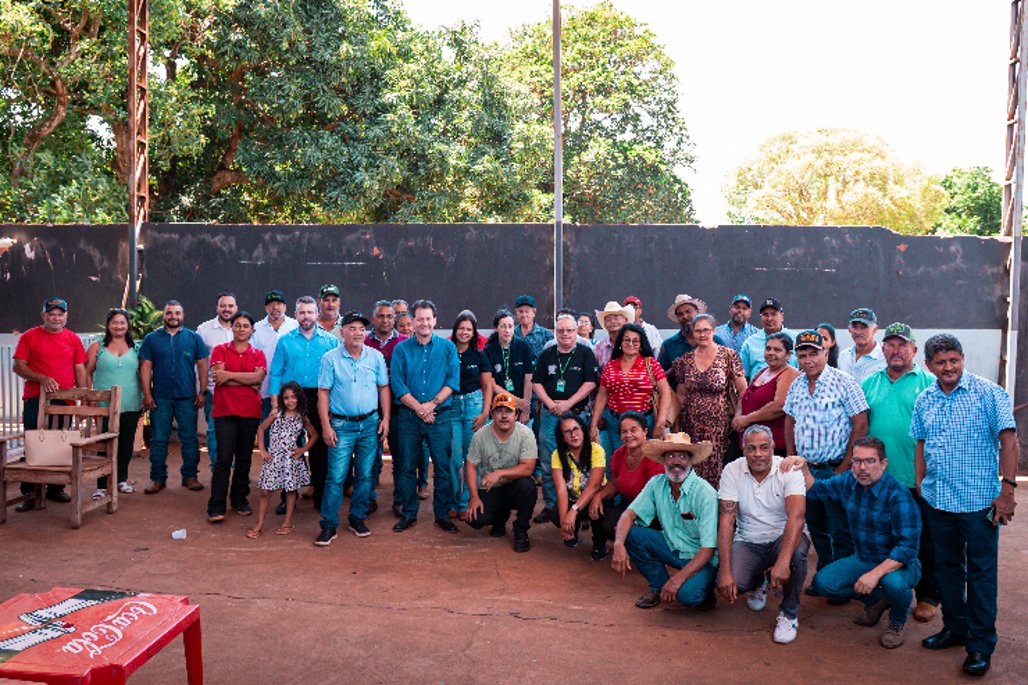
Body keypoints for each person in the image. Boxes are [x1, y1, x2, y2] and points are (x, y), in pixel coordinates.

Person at [911, 333, 1018, 677]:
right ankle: (955, 628)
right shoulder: (925, 399)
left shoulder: (989, 393)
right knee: (947, 568)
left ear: (962, 359)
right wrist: (921, 485)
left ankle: (980, 645)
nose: (949, 367)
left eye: (954, 360)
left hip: (979, 503)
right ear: (928, 366)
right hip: (938, 500)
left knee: (981, 573)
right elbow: (920, 444)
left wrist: (1008, 490)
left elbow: (1009, 440)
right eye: (941, 362)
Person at [784, 436, 922, 649]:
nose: (862, 467)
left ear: (883, 463)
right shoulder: (849, 481)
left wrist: (874, 575)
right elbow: (817, 489)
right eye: (857, 461)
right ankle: (877, 600)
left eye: (870, 461)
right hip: (864, 558)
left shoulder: (898, 495)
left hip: (899, 564)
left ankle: (897, 620)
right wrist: (803, 467)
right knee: (823, 583)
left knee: (894, 584)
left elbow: (908, 549)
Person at [861, 323, 938, 622]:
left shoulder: (929, 383)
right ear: (882, 349)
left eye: (902, 344)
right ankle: (886, 594)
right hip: (879, 480)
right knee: (883, 539)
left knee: (924, 540)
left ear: (914, 350)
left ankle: (927, 596)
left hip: (916, 479)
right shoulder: (870, 383)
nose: (896, 350)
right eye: (890, 344)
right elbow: (862, 427)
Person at [783, 329, 868, 574]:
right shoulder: (797, 384)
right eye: (802, 355)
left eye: (814, 354)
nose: (808, 360)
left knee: (840, 527)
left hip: (836, 468)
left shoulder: (844, 381)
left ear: (826, 353)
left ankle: (840, 578)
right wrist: (792, 458)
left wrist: (844, 467)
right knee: (817, 526)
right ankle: (825, 571)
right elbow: (789, 420)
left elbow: (861, 423)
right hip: (806, 471)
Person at [717, 424, 809, 645]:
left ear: (773, 448)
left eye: (764, 447)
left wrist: (783, 562)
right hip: (749, 539)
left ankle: (788, 614)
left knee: (796, 557)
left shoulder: (788, 469)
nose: (758, 454)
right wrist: (725, 571)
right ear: (743, 449)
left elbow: (796, 518)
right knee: (732, 584)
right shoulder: (732, 470)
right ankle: (758, 580)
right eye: (751, 448)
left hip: (782, 536)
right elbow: (727, 521)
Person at [611, 433, 718, 610]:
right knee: (629, 533)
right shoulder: (657, 483)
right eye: (670, 456)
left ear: (690, 461)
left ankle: (706, 588)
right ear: (663, 461)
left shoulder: (705, 493)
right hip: (672, 547)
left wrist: (677, 580)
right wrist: (618, 545)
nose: (676, 462)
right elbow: (628, 514)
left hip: (700, 556)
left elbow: (708, 549)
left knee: (687, 596)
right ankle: (658, 586)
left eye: (682, 456)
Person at [315, 311, 390, 545]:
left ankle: (357, 518)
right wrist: (326, 426)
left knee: (365, 476)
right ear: (342, 332)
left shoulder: (375, 357)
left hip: (370, 424)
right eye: (352, 328)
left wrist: (386, 418)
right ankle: (329, 525)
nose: (358, 333)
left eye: (361, 329)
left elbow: (383, 389)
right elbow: (323, 393)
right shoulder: (330, 358)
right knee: (336, 477)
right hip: (341, 425)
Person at [390, 299, 461, 533]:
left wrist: (431, 405)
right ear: (413, 321)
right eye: (419, 319)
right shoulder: (401, 350)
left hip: (439, 417)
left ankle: (442, 514)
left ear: (435, 320)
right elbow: (398, 385)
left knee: (442, 468)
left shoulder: (448, 348)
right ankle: (409, 513)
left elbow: (452, 381)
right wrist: (420, 409)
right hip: (408, 418)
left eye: (428, 319)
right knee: (406, 468)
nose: (424, 323)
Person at [12, 297, 87, 509]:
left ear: (66, 316)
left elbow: (80, 369)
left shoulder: (73, 339)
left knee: (60, 444)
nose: (56, 318)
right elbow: (18, 366)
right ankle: (30, 493)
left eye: (60, 314)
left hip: (65, 400)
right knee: (33, 443)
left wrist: (83, 397)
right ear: (43, 315)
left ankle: (55, 488)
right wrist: (41, 378)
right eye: (51, 314)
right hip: (35, 398)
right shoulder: (29, 336)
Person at [267, 296, 339, 513]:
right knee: (288, 447)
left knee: (320, 447)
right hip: (291, 398)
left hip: (320, 396)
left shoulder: (330, 341)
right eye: (302, 312)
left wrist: (333, 405)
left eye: (310, 312)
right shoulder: (285, 341)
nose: (306, 316)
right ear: (295, 315)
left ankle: (320, 496)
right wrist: (275, 405)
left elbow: (337, 375)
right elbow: (276, 373)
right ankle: (287, 496)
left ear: (316, 314)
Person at [531, 313, 599, 523]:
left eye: (569, 330)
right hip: (551, 415)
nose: (565, 334)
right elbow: (536, 383)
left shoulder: (586, 353)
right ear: (555, 332)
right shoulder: (547, 354)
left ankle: (581, 508)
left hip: (577, 413)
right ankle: (551, 505)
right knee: (548, 461)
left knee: (581, 461)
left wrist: (568, 403)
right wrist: (550, 404)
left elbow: (591, 383)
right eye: (561, 330)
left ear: (576, 332)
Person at [138, 300, 208, 495]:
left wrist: (202, 392)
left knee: (190, 439)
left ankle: (190, 476)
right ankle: (157, 478)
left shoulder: (193, 338)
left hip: (187, 397)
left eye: (177, 313)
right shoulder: (151, 339)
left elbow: (203, 366)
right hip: (160, 398)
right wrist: (147, 394)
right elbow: (145, 368)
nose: (173, 316)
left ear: (183, 316)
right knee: (158, 440)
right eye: (169, 313)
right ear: (164, 316)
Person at [671, 314, 746, 488]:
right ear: (693, 333)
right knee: (693, 467)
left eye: (706, 330)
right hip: (691, 425)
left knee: (719, 469)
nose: (702, 334)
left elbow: (743, 390)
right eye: (698, 331)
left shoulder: (728, 355)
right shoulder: (685, 360)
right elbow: (680, 395)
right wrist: (676, 427)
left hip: (719, 428)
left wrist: (739, 414)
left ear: (714, 331)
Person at [207, 311, 266, 522]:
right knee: (223, 460)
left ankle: (240, 500)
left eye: (245, 326)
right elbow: (218, 378)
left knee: (244, 459)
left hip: (250, 412)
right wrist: (247, 380)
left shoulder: (258, 354)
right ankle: (216, 506)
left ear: (252, 330)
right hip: (225, 412)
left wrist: (229, 376)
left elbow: (258, 379)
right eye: (238, 325)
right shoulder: (220, 350)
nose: (241, 329)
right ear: (232, 328)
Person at [465, 392, 539, 552]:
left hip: (515, 486)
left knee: (528, 486)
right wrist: (474, 497)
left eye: (509, 411)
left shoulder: (526, 434)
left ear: (516, 415)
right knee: (474, 519)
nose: (504, 416)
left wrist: (499, 473)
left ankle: (521, 530)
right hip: (491, 488)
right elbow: (471, 466)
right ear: (492, 415)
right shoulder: (480, 436)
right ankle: (499, 519)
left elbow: (528, 468)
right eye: (499, 411)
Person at [85, 308, 143, 498]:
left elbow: (145, 373)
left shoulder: (137, 348)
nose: (119, 326)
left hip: (130, 403)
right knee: (104, 444)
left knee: (126, 444)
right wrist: (90, 397)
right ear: (108, 325)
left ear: (128, 325)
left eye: (122, 322)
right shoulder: (97, 347)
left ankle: (121, 480)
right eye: (115, 322)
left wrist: (145, 397)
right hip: (104, 406)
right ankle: (102, 486)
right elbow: (87, 372)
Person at [247, 382, 317, 538]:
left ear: (299, 398)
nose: (290, 401)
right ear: (281, 399)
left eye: (293, 397)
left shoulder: (301, 417)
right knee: (266, 491)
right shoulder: (276, 413)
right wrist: (262, 449)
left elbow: (314, 435)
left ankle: (287, 522)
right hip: (273, 457)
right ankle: (260, 524)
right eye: (286, 398)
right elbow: (261, 429)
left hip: (290, 459)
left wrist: (303, 449)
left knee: (290, 491)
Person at [590, 323, 671, 453]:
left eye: (635, 341)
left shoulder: (651, 364)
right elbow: (602, 395)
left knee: (645, 459)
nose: (631, 344)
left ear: (641, 344)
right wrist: (594, 424)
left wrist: (660, 423)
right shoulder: (610, 366)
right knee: (618, 458)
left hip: (644, 422)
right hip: (615, 423)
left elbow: (666, 393)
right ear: (620, 342)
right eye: (627, 340)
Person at [589, 411, 664, 542]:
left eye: (633, 430)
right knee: (608, 527)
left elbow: (654, 498)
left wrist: (629, 520)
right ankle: (603, 546)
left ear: (645, 432)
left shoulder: (654, 456)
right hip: (630, 503)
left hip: (654, 510)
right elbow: (614, 483)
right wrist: (598, 496)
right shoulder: (619, 454)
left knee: (628, 531)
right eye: (624, 431)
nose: (628, 435)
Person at [448, 310, 493, 519]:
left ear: (474, 333)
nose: (464, 332)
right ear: (455, 330)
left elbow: (488, 385)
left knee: (472, 457)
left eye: (468, 329)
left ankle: (466, 501)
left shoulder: (479, 355)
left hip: (474, 406)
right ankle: (453, 501)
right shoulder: (447, 352)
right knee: (453, 458)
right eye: (461, 328)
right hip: (451, 406)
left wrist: (485, 413)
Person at [365, 300, 408, 516]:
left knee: (401, 456)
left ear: (395, 319)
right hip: (371, 408)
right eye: (381, 316)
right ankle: (368, 499)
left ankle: (400, 500)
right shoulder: (363, 342)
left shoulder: (405, 343)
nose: (385, 320)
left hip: (400, 407)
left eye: (389, 316)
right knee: (369, 457)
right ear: (373, 319)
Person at [550, 413, 609, 561]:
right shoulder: (557, 454)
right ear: (562, 437)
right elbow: (561, 490)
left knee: (597, 508)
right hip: (573, 498)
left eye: (576, 429)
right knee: (556, 515)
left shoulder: (596, 450)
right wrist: (564, 523)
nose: (573, 434)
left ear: (583, 430)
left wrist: (573, 511)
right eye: (567, 431)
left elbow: (594, 486)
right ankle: (572, 531)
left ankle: (599, 542)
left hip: (594, 497)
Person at [732, 332, 801, 456]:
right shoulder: (763, 371)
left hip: (772, 446)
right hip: (749, 441)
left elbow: (778, 406)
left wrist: (746, 419)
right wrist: (738, 417)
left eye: (777, 350)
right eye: (768, 348)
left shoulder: (789, 373)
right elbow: (745, 397)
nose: (771, 353)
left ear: (788, 355)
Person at [196, 292, 238, 470]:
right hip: (214, 391)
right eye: (223, 306)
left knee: (236, 430)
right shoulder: (204, 330)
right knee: (214, 430)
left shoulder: (245, 328)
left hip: (239, 391)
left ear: (236, 308)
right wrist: (202, 390)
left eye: (230, 306)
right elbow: (199, 362)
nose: (226, 309)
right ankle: (218, 465)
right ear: (217, 308)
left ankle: (233, 465)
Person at [250, 290, 298, 421]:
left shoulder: (295, 326)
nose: (275, 307)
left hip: (292, 389)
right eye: (271, 304)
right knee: (266, 426)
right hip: (265, 389)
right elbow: (252, 358)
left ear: (285, 307)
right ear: (266, 308)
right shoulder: (256, 329)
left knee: (293, 428)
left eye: (279, 304)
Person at [483, 309, 534, 425]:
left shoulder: (523, 347)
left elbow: (528, 379)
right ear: (496, 328)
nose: (507, 330)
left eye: (510, 326)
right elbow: (492, 384)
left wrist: (525, 408)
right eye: (503, 326)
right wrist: (516, 401)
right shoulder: (489, 350)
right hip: (499, 406)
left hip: (522, 407)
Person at [739, 298, 797, 381]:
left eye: (774, 314)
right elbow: (744, 377)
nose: (769, 319)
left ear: (782, 316)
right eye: (765, 314)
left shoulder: (796, 339)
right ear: (760, 317)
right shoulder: (750, 343)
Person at [838, 308, 886, 382]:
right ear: (849, 329)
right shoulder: (844, 356)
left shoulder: (885, 359)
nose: (858, 332)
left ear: (875, 329)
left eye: (864, 327)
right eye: (855, 327)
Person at [593, 301, 633, 369]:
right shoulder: (599, 348)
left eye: (616, 317)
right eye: (608, 319)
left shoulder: (635, 344)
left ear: (626, 320)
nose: (613, 321)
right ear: (604, 324)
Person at [512, 294, 552, 361]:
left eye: (527, 311)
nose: (524, 315)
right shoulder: (511, 334)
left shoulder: (545, 335)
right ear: (516, 313)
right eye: (521, 311)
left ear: (534, 312)